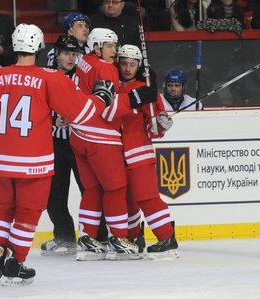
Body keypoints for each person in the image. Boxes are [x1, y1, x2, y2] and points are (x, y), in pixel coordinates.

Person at [0, 23, 117, 286]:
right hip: (34, 162)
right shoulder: (50, 78)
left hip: (0, 160)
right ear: (41, 47)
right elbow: (82, 115)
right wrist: (102, 97)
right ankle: (16, 263)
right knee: (26, 214)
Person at [70, 28, 157, 261]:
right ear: (96, 46)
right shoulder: (105, 68)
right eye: (110, 46)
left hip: (78, 134)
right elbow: (108, 110)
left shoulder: (83, 61)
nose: (114, 51)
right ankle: (119, 239)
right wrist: (137, 97)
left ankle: (87, 239)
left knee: (93, 189)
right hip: (100, 137)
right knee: (116, 187)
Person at [116, 44, 179, 260]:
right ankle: (134, 238)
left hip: (139, 152)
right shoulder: (112, 86)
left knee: (147, 197)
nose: (127, 68)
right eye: (124, 63)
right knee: (127, 200)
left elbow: (155, 129)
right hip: (116, 155)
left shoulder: (146, 89)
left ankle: (166, 237)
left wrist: (162, 123)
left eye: (132, 64)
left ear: (139, 66)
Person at [40, 35, 84, 256]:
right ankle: (65, 237)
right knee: (54, 194)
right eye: (66, 53)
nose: (71, 57)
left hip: (79, 142)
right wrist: (51, 120)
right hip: (54, 142)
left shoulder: (83, 77)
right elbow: (36, 107)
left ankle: (95, 236)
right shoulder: (44, 76)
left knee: (89, 190)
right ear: (56, 54)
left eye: (74, 53)